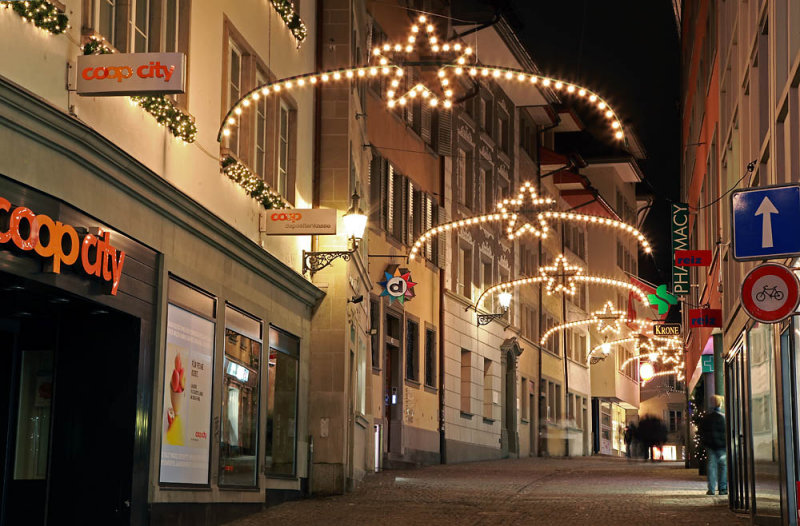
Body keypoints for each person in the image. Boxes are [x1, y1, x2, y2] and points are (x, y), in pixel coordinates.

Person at [700, 395, 728, 495]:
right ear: (720, 404)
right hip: (721, 446)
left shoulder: (707, 417)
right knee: (723, 467)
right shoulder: (723, 417)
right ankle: (723, 488)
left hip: (710, 446)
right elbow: (726, 432)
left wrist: (706, 442)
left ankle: (711, 489)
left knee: (711, 467)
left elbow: (702, 432)